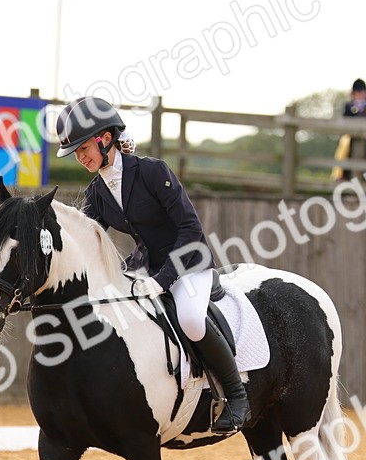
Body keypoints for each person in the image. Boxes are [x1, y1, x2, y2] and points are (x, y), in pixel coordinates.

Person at [55, 97, 248, 433]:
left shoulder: (152, 171)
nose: (82, 157)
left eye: (84, 147)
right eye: (77, 153)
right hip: (145, 268)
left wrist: (164, 279)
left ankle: (236, 395)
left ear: (105, 138)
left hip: (189, 263)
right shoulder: (97, 191)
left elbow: (190, 229)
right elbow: (86, 238)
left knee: (190, 319)